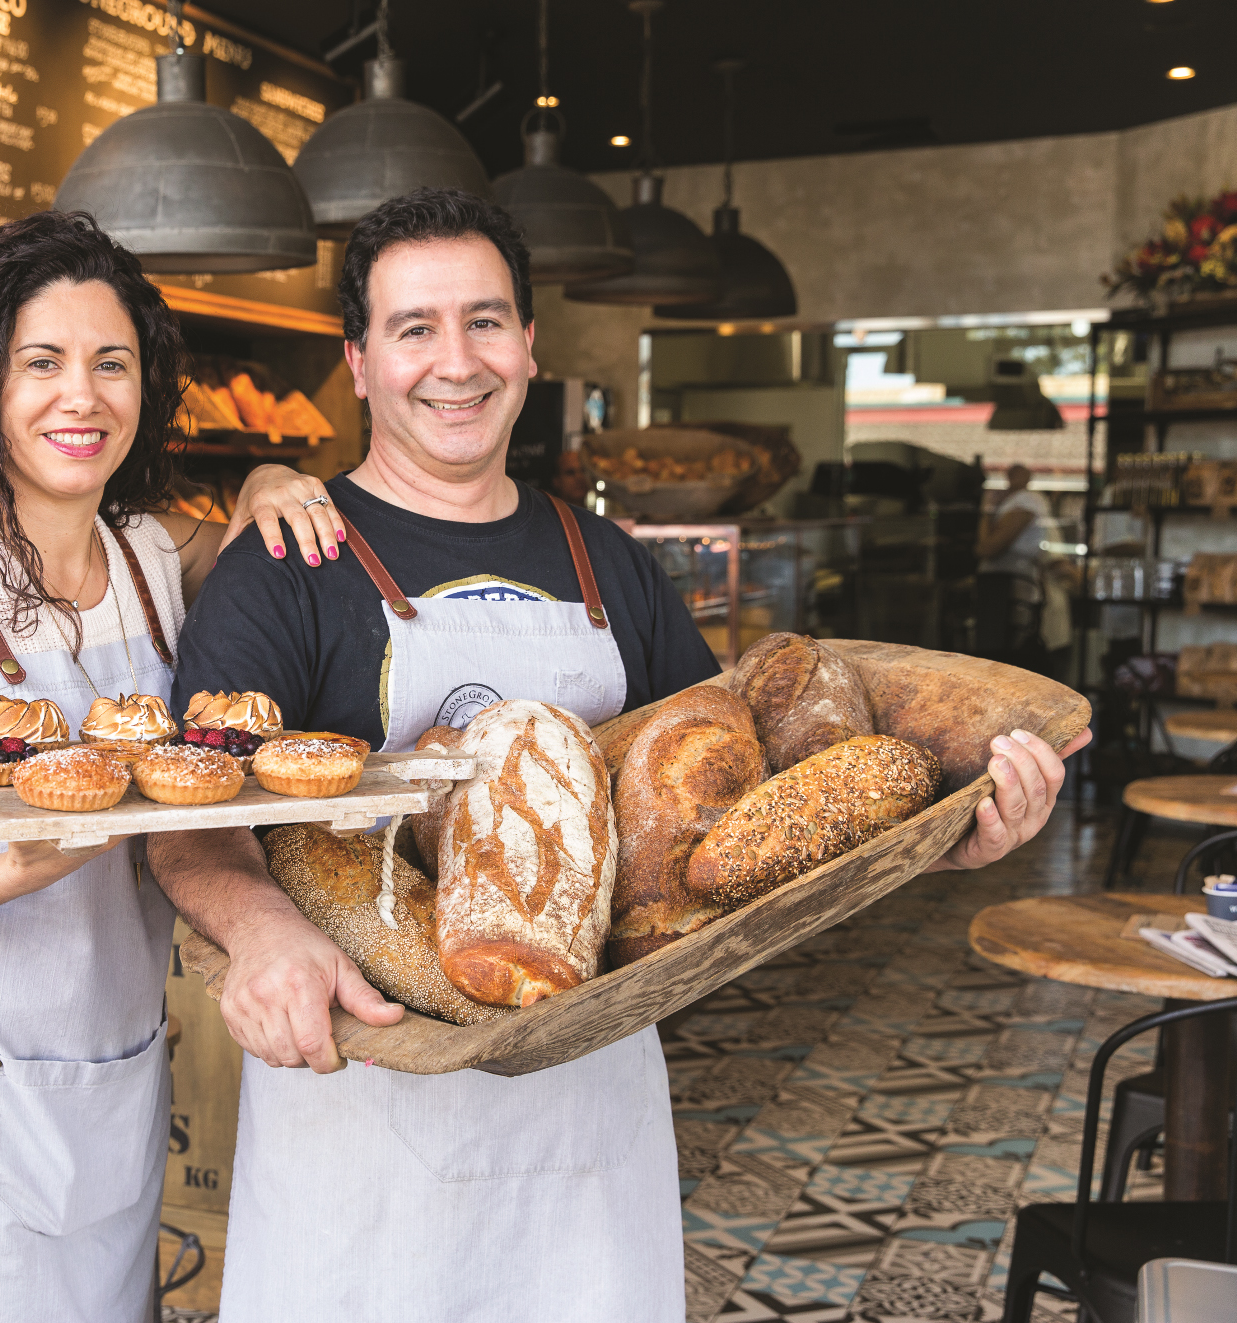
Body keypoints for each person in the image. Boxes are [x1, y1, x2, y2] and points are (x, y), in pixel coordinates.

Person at [146, 188, 1091, 1320]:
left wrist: (933, 840)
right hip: (367, 1113)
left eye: (485, 321)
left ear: (530, 346)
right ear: (357, 361)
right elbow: (187, 813)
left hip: (592, 1105)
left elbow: (741, 827)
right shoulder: (287, 562)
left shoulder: (609, 561)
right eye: (414, 329)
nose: (456, 361)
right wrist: (258, 937)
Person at [0, 210, 343, 1319]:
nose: (79, 396)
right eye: (40, 363)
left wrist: (273, 473)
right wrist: (25, 861)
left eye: (112, 364)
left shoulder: (152, 558)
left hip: (106, 1082)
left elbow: (243, 524)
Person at [977, 463, 1054, 668]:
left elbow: (988, 548)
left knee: (1007, 654)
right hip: (1001, 589)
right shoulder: (1013, 501)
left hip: (1011, 587)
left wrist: (986, 513)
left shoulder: (1027, 501)